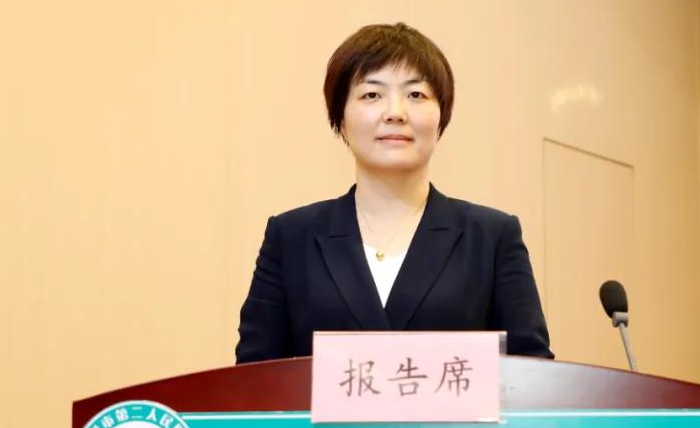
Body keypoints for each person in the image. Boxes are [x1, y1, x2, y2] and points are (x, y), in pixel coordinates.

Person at [235, 23, 553, 363]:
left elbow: (533, 374)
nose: (395, 113)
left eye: (416, 95)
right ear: (340, 116)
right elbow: (254, 376)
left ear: (442, 114)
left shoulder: (492, 237)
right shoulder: (291, 237)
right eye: (372, 95)